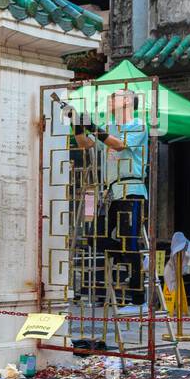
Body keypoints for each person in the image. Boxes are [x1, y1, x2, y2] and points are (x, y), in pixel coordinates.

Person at [73, 89, 149, 304]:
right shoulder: (109, 128)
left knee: (128, 238)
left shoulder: (139, 125)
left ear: (127, 100)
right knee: (95, 237)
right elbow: (85, 144)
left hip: (131, 190)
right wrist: (79, 125)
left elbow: (119, 144)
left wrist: (93, 128)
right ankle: (126, 260)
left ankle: (136, 286)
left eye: (114, 96)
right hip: (112, 192)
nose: (110, 99)